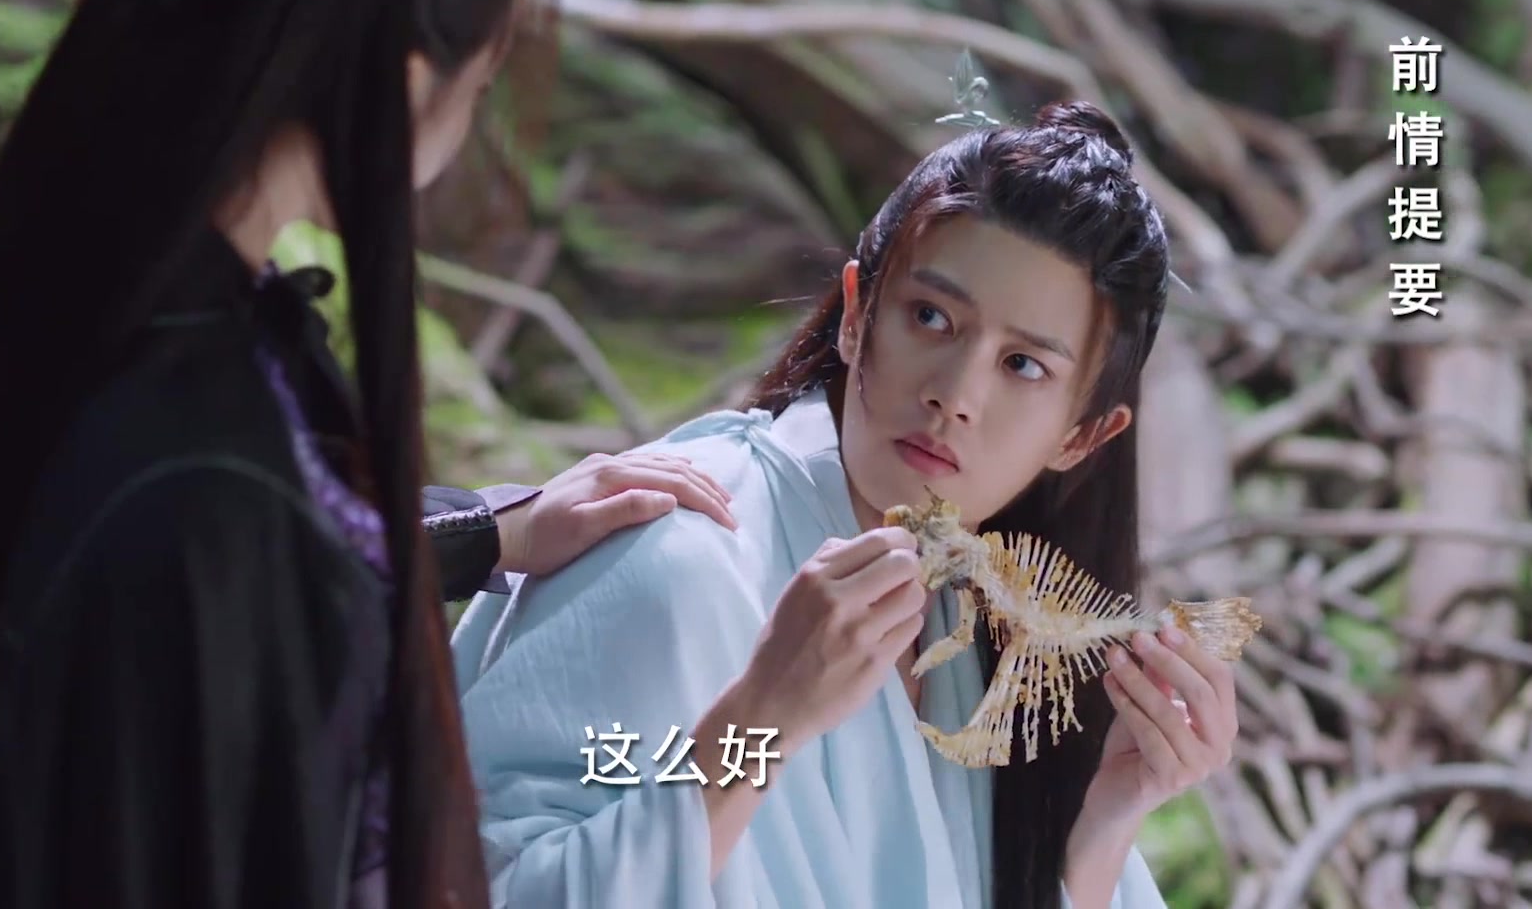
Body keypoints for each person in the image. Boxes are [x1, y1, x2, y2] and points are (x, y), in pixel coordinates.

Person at [0, 0, 737, 909]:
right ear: (402, 82)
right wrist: (768, 718)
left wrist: (490, 533)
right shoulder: (210, 474)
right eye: (484, 77)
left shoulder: (114, 269)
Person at [452, 101, 1241, 909]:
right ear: (859, 314)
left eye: (1023, 366)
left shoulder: (980, 642)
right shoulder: (678, 555)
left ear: (1082, 436)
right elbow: (490, 889)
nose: (955, 394)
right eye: (931, 318)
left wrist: (1101, 831)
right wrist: (767, 717)